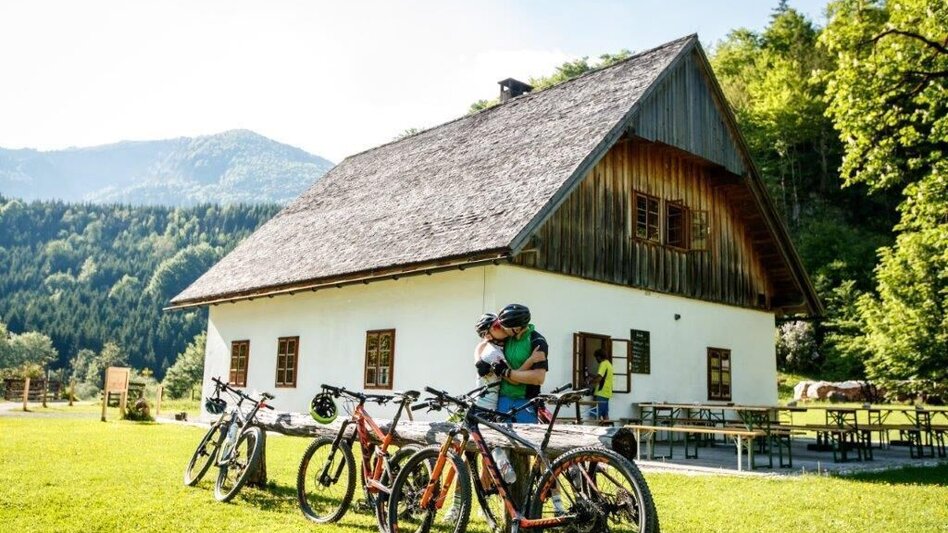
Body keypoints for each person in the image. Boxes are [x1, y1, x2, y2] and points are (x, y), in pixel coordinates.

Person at [492, 303, 548, 423]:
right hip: (503, 399)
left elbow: (538, 377)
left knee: (525, 439)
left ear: (517, 328)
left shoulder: (537, 341)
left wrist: (506, 372)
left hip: (525, 402)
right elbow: (486, 342)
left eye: (505, 326)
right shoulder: (506, 338)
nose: (502, 328)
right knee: (499, 440)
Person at [588, 349, 613, 420]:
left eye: (596, 357)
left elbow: (599, 378)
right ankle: (607, 429)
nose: (596, 359)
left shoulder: (603, 364)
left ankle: (598, 429)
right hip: (607, 392)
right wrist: (591, 375)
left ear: (599, 357)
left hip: (601, 392)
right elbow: (603, 377)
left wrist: (589, 382)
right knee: (605, 413)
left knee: (597, 414)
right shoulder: (609, 364)